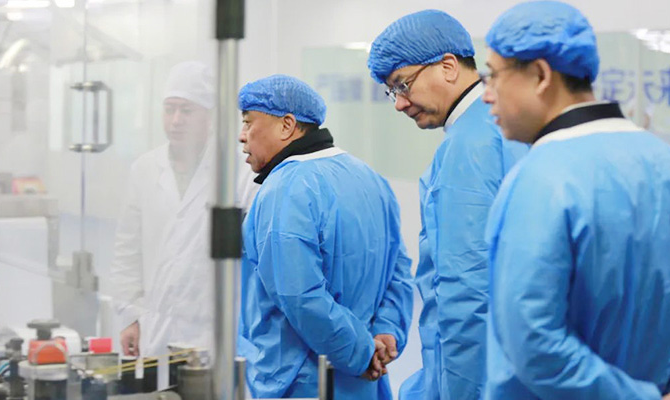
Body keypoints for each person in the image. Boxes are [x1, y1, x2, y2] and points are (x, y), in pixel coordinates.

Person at [481, 2, 670, 399]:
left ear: (540, 75)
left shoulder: (538, 180)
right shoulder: (660, 160)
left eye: (493, 75)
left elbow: (534, 345)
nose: (486, 95)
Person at [367, 10, 527, 400]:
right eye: (391, 92)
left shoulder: (468, 148)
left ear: (449, 67)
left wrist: (459, 390)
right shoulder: (501, 128)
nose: (399, 104)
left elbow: (466, 290)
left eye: (402, 84)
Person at [236, 74, 413, 399]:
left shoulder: (284, 189)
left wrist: (360, 353)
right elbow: (398, 270)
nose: (242, 135)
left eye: (248, 122)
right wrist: (386, 332)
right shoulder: (369, 178)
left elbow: (300, 296)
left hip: (306, 382)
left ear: (287, 126)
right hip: (365, 384)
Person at [111, 61, 256, 362]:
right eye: (169, 109)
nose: (176, 120)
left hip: (217, 329)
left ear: (210, 116)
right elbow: (127, 249)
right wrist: (129, 315)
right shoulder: (145, 169)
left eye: (186, 110)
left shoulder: (238, 170)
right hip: (156, 325)